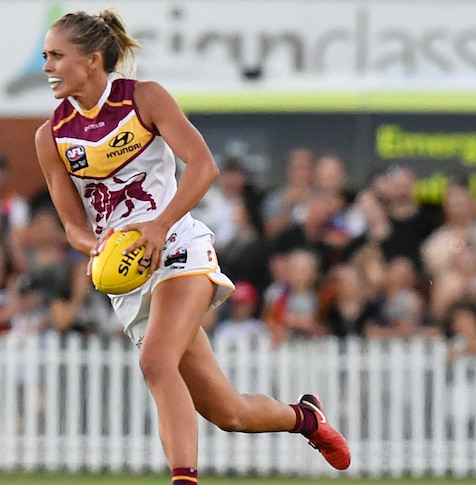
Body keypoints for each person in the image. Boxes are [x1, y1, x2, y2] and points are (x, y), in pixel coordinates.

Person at [33, 9, 351, 483]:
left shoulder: (145, 99)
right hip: (131, 272)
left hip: (178, 243)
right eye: (45, 56)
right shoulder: (51, 135)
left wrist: (160, 226)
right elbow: (73, 225)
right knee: (228, 412)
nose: (47, 67)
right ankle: (305, 418)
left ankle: (184, 480)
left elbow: (204, 166)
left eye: (57, 56)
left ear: (93, 60)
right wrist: (97, 247)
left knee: (156, 362)